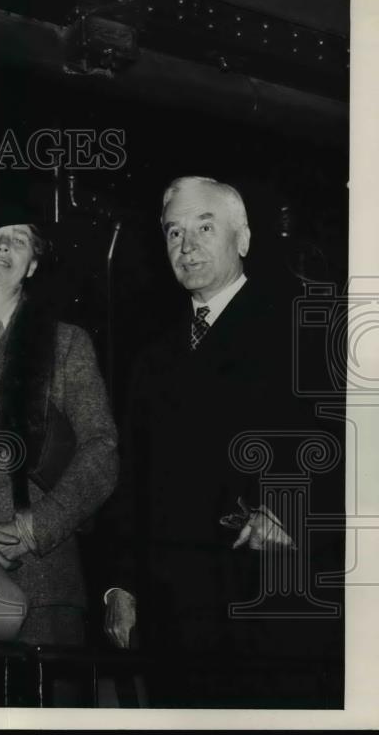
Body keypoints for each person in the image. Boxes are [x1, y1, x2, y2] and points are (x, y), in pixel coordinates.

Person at [101, 176, 342, 707]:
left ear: (244, 239)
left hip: (270, 602)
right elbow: (131, 479)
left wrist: (294, 513)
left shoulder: (307, 328)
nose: (186, 246)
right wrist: (120, 585)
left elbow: (354, 450)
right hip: (174, 618)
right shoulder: (152, 359)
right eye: (173, 233)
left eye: (204, 227)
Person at [0, 203, 118, 648]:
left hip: (42, 575)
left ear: (32, 266)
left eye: (19, 239)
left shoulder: (66, 342)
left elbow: (102, 451)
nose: (4, 244)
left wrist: (36, 528)